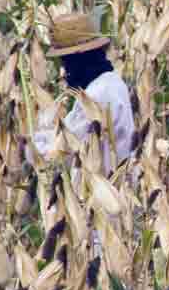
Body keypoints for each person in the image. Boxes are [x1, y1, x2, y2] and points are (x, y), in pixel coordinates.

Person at [30, 11, 135, 175]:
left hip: (102, 189)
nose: (65, 71)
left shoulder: (95, 95)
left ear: (79, 59)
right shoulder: (113, 81)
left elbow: (62, 150)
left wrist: (28, 146)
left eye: (66, 62)